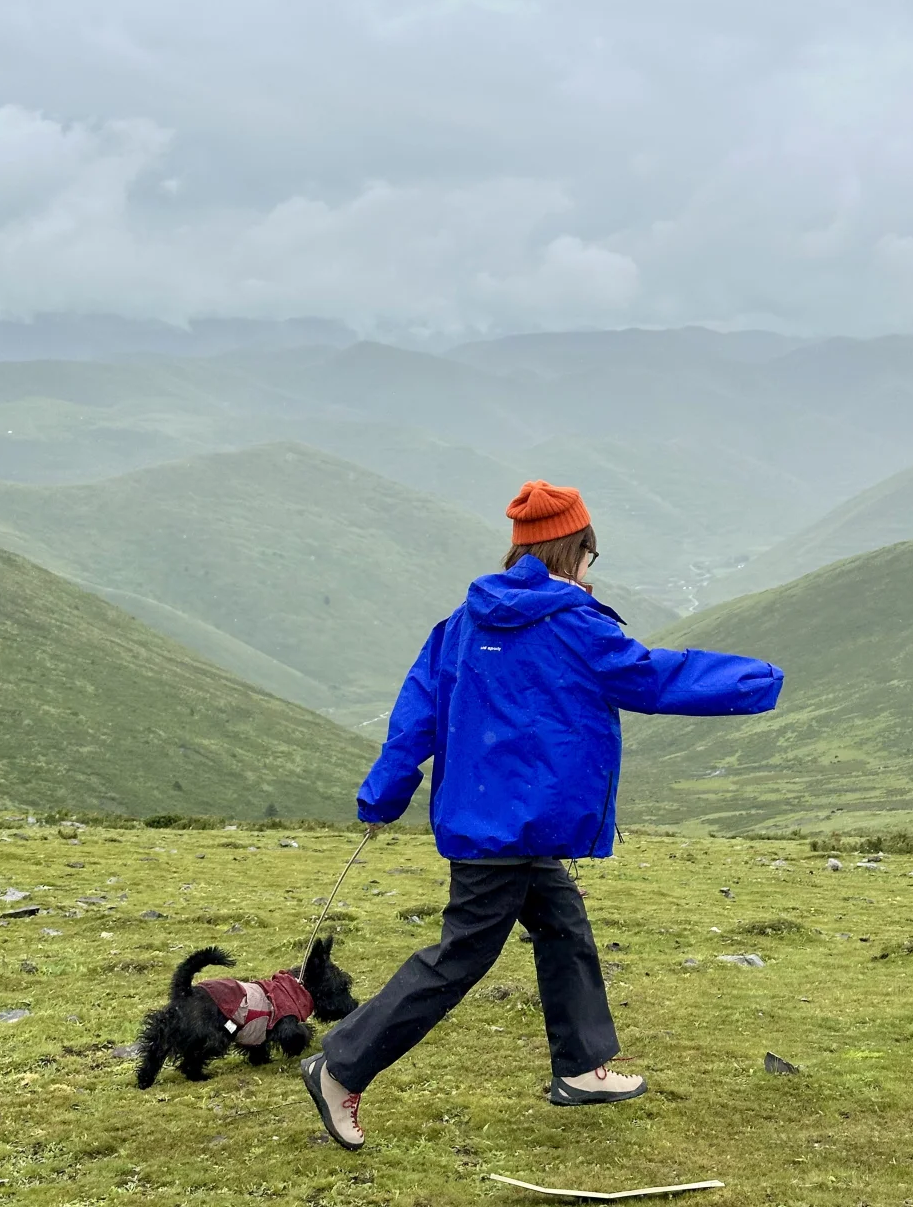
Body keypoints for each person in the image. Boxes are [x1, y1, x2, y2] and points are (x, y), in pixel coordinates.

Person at [302, 479, 783, 1150]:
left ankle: (582, 1069)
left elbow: (417, 713)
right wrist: (761, 680)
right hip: (514, 832)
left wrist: (383, 794)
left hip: (497, 827)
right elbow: (652, 677)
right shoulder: (574, 625)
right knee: (458, 959)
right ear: (576, 551)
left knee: (563, 927)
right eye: (591, 555)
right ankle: (341, 1066)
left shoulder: (462, 623)